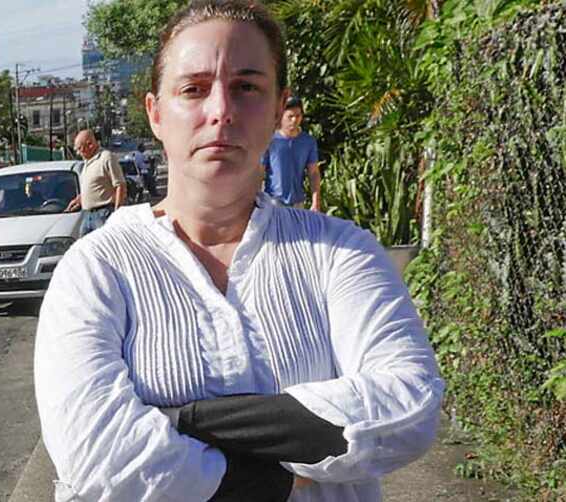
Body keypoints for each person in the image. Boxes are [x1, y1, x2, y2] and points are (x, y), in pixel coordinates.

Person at [35, 1, 444, 501]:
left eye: (247, 87)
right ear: (156, 112)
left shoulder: (341, 252)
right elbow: (94, 451)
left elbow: (408, 405)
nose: (221, 111)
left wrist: (181, 423)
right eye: (194, 89)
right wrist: (273, 481)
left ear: (278, 109)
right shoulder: (97, 267)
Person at [261, 96, 322, 211]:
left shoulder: (308, 142)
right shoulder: (270, 141)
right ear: (281, 116)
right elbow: (259, 171)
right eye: (290, 116)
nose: (294, 120)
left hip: (297, 203)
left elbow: (313, 172)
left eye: (298, 116)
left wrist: (315, 201)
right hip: (273, 201)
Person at [65, 129, 127, 235]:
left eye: (80, 149)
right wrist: (79, 199)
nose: (78, 153)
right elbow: (95, 186)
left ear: (90, 144)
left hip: (103, 214)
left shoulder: (106, 158)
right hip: (87, 214)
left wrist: (117, 213)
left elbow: (120, 185)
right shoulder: (87, 163)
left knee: (105, 246)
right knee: (85, 248)